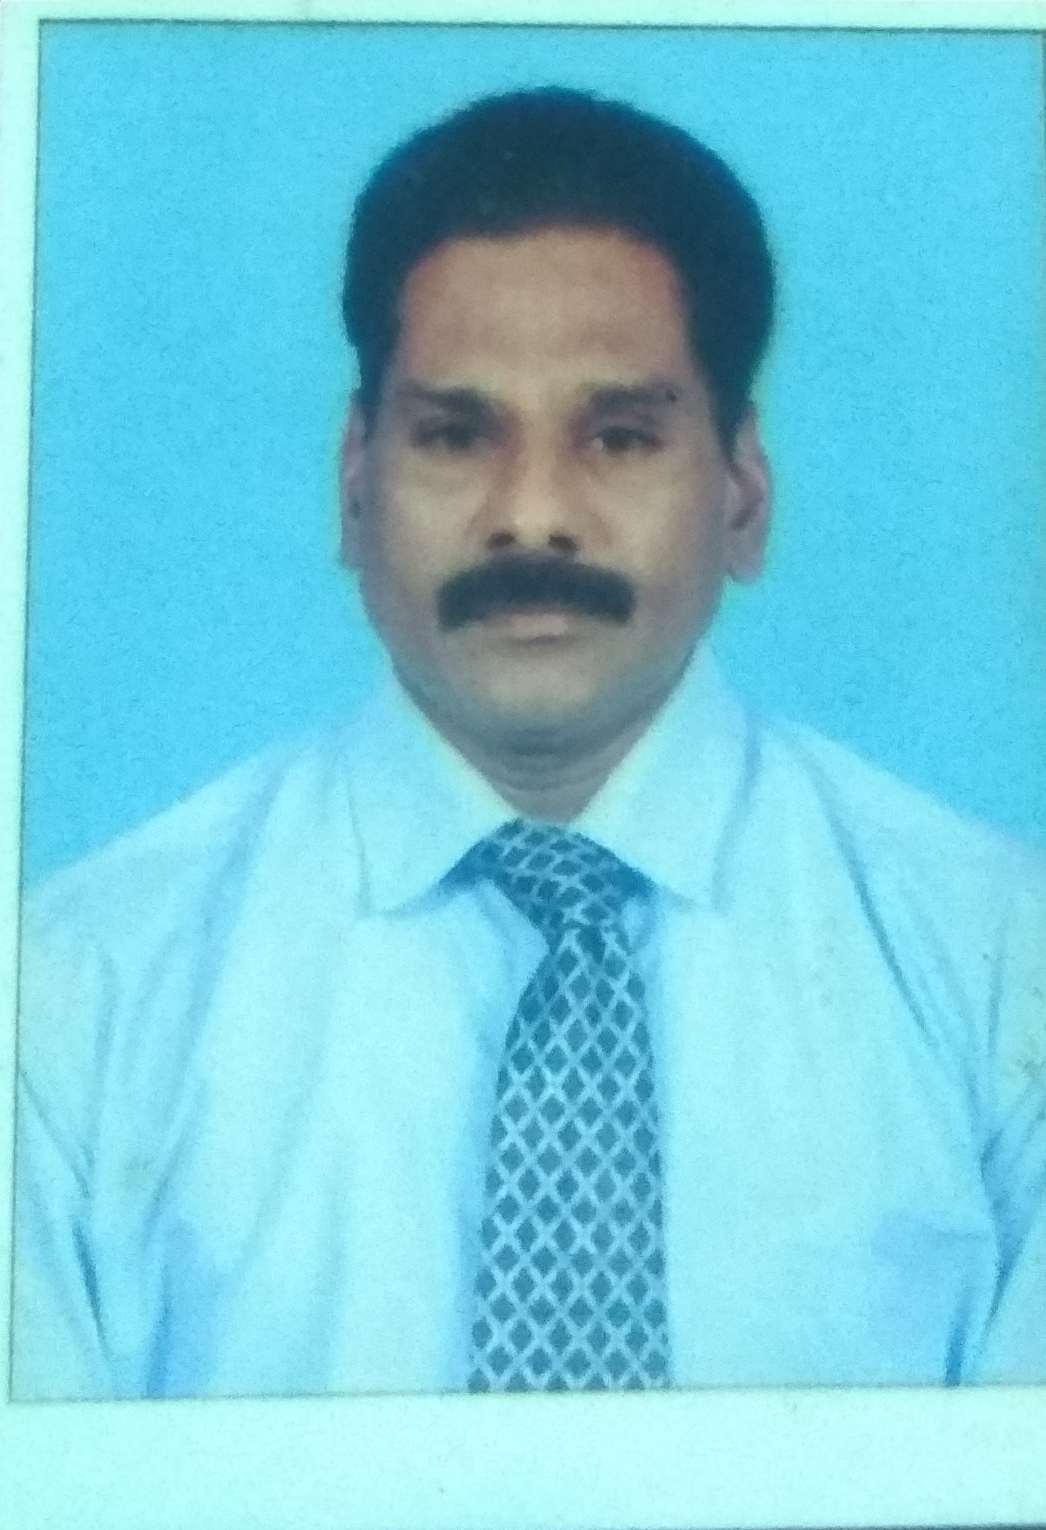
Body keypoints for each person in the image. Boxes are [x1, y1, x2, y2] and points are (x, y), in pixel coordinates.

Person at [12, 86, 1045, 1401]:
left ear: (742, 490)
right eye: (455, 435)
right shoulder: (73, 996)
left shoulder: (1001, 969)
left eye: (619, 437)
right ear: (353, 481)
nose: (534, 516)